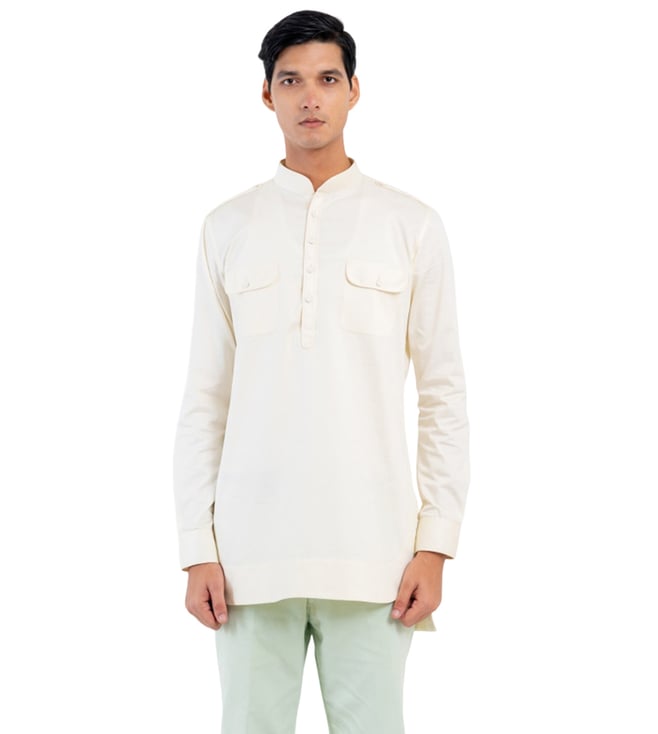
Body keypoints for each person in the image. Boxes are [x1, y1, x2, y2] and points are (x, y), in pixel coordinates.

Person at [172, 9, 470, 733]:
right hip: (248, 559)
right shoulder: (227, 227)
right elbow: (205, 398)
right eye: (291, 81)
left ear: (354, 90)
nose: (310, 97)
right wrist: (196, 549)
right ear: (266, 95)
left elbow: (443, 394)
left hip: (375, 555)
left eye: (328, 79)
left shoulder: (411, 224)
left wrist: (436, 544)